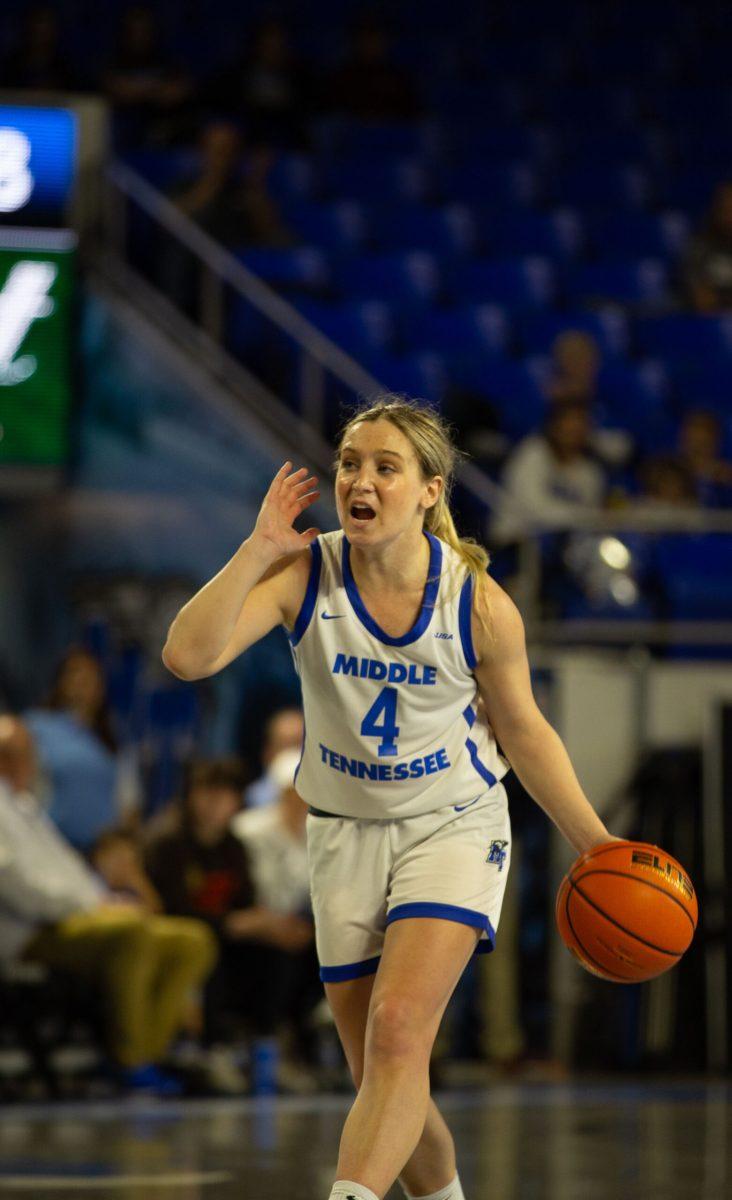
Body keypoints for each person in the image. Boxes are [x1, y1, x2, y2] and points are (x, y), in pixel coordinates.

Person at [162, 396, 617, 1200]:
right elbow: (187, 658)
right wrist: (255, 549)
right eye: (348, 463)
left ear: (429, 491)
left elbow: (527, 733)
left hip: (453, 823)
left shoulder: (477, 604)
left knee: (401, 1029)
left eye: (384, 467)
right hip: (344, 833)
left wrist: (597, 843)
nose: (359, 480)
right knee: (384, 1073)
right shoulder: (303, 574)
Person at [0, 716, 216, 1095]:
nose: (26, 764)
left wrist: (104, 900)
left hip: (73, 916)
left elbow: (68, 871)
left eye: (27, 754)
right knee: (129, 931)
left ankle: (149, 1054)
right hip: (30, 931)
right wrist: (94, 907)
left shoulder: (24, 806)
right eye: (15, 755)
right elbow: (18, 885)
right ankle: (129, 1061)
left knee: (191, 939)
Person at [145, 756, 315, 1092]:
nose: (214, 805)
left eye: (224, 796)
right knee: (209, 951)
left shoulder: (232, 845)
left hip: (227, 935)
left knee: (283, 952)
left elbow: (245, 901)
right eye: (206, 794)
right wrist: (232, 923)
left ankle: (271, 1045)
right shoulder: (167, 843)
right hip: (180, 939)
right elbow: (170, 909)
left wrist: (266, 925)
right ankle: (213, 1048)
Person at [233, 747, 322, 1067]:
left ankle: (308, 1043)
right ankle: (270, 1043)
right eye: (291, 790)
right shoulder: (249, 829)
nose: (298, 798)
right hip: (256, 923)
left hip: (302, 925)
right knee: (279, 960)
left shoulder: (319, 830)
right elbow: (251, 890)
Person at [24, 648, 141, 852]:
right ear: (60, 681)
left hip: (98, 855)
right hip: (46, 848)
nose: (82, 681)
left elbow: (128, 805)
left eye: (91, 675)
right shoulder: (34, 727)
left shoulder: (114, 740)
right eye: (75, 672)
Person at [491, 402, 607, 545]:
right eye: (568, 428)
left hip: (565, 545)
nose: (573, 434)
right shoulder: (532, 454)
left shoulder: (589, 472)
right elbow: (533, 509)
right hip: (516, 543)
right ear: (554, 427)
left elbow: (591, 521)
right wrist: (580, 516)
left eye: (578, 429)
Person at [683, 180, 732, 313]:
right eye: (725, 207)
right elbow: (702, 299)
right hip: (708, 322)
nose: (729, 214)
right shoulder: (700, 245)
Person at [244, 706, 304, 809]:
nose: (291, 753)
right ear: (268, 752)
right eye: (285, 745)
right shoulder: (254, 797)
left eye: (298, 744)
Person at [677, 408, 732, 506]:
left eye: (704, 444)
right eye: (691, 441)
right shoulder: (667, 473)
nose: (697, 450)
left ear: (717, 442)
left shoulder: (726, 477)